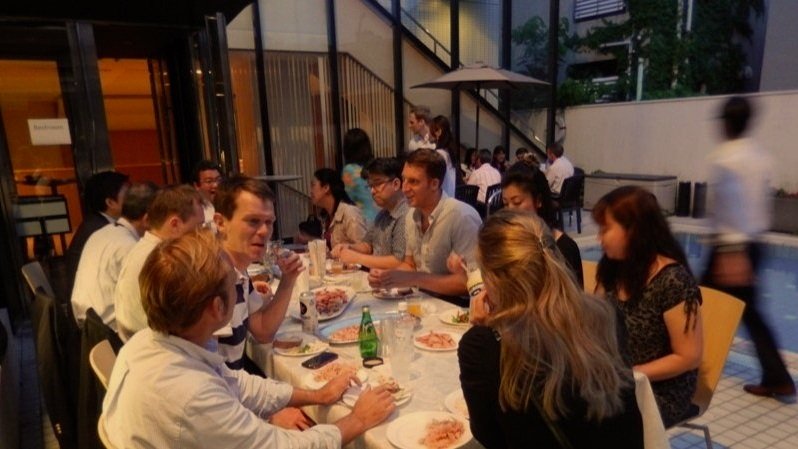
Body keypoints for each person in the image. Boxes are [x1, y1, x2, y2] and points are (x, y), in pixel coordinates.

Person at [101, 230, 395, 448]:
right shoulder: (192, 395)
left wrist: (315, 396)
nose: (241, 289)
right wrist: (357, 420)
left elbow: (235, 383)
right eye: (235, 285)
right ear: (217, 307)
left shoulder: (146, 342)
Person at [458, 210, 643, 449]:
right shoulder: (607, 316)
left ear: (493, 280)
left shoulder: (483, 346)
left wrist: (490, 331)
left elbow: (489, 437)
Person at [703, 96, 796, 401]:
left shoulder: (725, 158)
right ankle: (777, 377)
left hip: (731, 247)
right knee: (748, 311)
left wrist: (731, 252)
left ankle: (689, 362)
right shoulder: (760, 156)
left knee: (700, 301)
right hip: (753, 243)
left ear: (727, 123)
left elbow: (731, 207)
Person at [592, 186, 703, 427]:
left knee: (589, 418)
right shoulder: (612, 269)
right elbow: (594, 322)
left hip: (660, 390)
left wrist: (631, 374)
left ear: (634, 230)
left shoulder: (673, 280)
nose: (599, 238)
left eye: (606, 229)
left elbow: (688, 357)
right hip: (619, 378)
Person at [368, 149, 481, 297]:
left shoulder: (462, 216)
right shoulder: (411, 215)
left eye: (413, 182)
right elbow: (410, 265)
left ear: (434, 184)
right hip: (422, 301)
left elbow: (471, 282)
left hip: (455, 306)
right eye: (404, 179)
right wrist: (386, 275)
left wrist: (415, 278)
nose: (404, 188)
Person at [114, 185, 205, 340]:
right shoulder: (159, 260)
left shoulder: (145, 248)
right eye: (198, 226)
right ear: (175, 224)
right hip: (153, 346)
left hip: (145, 341)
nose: (202, 235)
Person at [71, 182, 157, 329]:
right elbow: (143, 306)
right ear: (147, 220)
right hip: (110, 330)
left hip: (88, 325)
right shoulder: (130, 247)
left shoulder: (103, 232)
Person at [502, 169, 583, 287]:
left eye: (517, 202)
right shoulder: (507, 241)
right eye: (505, 204)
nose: (510, 210)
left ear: (538, 200)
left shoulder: (563, 248)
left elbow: (573, 296)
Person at [332, 157, 408, 269]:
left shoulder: (405, 215)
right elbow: (367, 245)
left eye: (377, 184)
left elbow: (399, 261)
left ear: (396, 184)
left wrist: (357, 258)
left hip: (395, 279)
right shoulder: (383, 214)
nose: (372, 191)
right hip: (378, 276)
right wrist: (349, 247)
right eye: (370, 186)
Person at [66, 171, 130, 284]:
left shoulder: (96, 222)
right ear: (110, 202)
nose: (133, 199)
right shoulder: (101, 230)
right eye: (127, 195)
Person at [310, 168, 367, 249]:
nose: (311, 191)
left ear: (326, 187)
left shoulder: (350, 213)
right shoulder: (325, 215)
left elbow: (364, 248)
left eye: (313, 185)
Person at [342, 128, 378, 223]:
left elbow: (347, 199)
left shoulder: (349, 170)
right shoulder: (374, 166)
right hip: (381, 217)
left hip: (362, 220)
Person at [429, 115, 459, 197]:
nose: (428, 134)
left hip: (441, 199)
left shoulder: (439, 154)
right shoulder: (449, 152)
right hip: (450, 198)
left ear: (438, 132)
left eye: (430, 130)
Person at [192, 160, 223, 229]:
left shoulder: (230, 203)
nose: (215, 185)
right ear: (196, 186)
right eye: (209, 181)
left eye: (219, 180)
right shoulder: (195, 211)